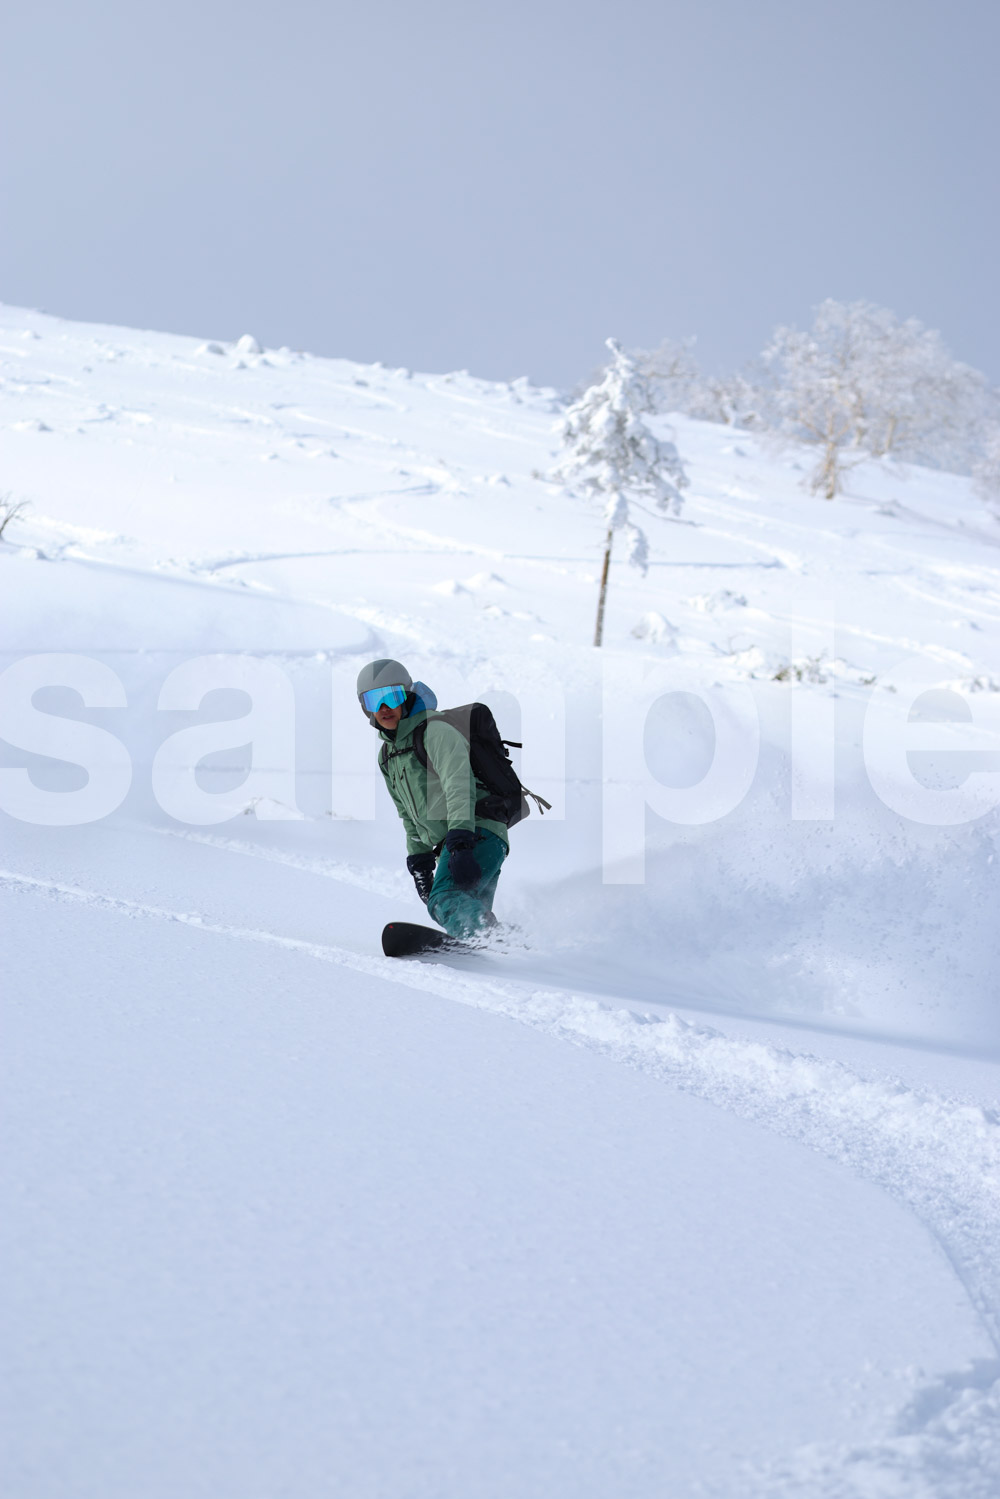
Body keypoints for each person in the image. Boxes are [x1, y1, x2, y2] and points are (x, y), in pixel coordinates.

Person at [357, 658, 509, 941]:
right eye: (374, 700)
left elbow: (459, 785)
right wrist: (420, 859)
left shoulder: (435, 731)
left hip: (477, 831)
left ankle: (500, 942)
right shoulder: (387, 756)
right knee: (468, 915)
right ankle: (508, 948)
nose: (384, 707)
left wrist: (461, 841)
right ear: (365, 707)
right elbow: (407, 812)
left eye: (392, 697)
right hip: (460, 840)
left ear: (406, 696)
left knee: (445, 899)